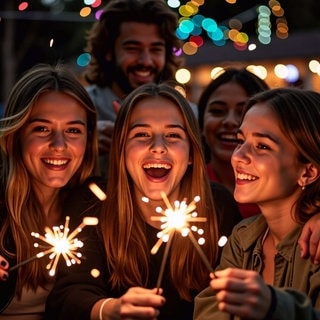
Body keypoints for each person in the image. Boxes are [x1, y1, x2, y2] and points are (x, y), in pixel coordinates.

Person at [45, 82, 242, 320]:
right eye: (141, 134)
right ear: (121, 149)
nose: (158, 147)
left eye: (172, 135)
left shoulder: (218, 205)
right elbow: (68, 295)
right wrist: (110, 309)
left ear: (191, 153)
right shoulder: (92, 201)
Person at [194, 88, 320, 319]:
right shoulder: (243, 238)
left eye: (262, 146)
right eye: (241, 141)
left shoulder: (316, 247)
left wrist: (274, 307)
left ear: (308, 171)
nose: (238, 156)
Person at [0, 63, 99, 318]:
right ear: (16, 134)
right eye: (42, 129)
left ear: (88, 141)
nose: (59, 145)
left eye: (73, 130)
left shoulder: (96, 208)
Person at [83, 0, 196, 178]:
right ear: (108, 51)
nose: (146, 61)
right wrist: (79, 141)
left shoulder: (189, 116)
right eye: (132, 49)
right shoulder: (82, 110)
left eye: (156, 49)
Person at [198, 67, 269, 218]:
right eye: (217, 111)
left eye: (243, 113)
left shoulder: (288, 191)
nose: (230, 121)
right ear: (201, 124)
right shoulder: (184, 185)